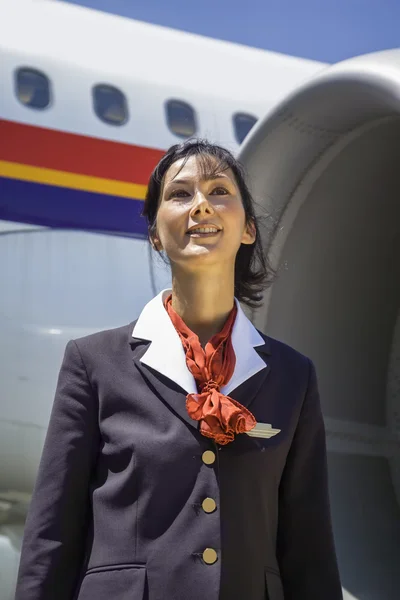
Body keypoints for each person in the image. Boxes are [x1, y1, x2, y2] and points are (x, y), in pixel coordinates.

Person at [15, 140, 343, 600]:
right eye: (180, 194)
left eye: (219, 191)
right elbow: (52, 536)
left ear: (248, 228)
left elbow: (309, 548)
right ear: (154, 233)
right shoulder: (92, 363)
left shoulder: (294, 376)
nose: (201, 205)